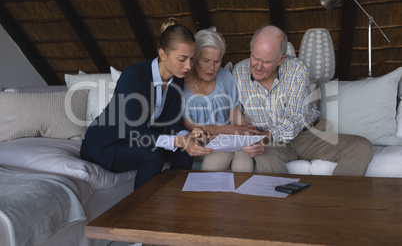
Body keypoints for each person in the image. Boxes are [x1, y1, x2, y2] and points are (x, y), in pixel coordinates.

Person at [80, 18, 213, 190]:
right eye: (182, 59)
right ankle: (140, 209)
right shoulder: (133, 76)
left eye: (191, 59)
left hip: (139, 140)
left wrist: (186, 135)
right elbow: (133, 130)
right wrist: (178, 141)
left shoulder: (177, 80)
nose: (188, 66)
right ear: (163, 54)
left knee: (185, 151)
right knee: (153, 155)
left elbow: (173, 120)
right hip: (106, 144)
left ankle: (178, 199)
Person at [232, 25, 373, 176]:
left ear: (281, 59)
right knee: (264, 157)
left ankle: (338, 197)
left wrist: (265, 136)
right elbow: (235, 112)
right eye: (255, 57)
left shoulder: (297, 70)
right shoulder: (239, 72)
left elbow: (294, 118)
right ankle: (281, 199)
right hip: (270, 144)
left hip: (307, 136)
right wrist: (250, 137)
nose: (258, 67)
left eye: (266, 61)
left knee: (361, 146)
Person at [183, 29, 260, 172]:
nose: (212, 68)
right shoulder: (181, 82)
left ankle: (243, 193)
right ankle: (206, 192)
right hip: (200, 142)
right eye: (206, 61)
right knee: (222, 154)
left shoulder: (225, 77)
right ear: (194, 58)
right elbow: (189, 125)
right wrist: (225, 130)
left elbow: (234, 113)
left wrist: (248, 130)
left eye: (217, 61)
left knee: (244, 152)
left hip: (227, 138)